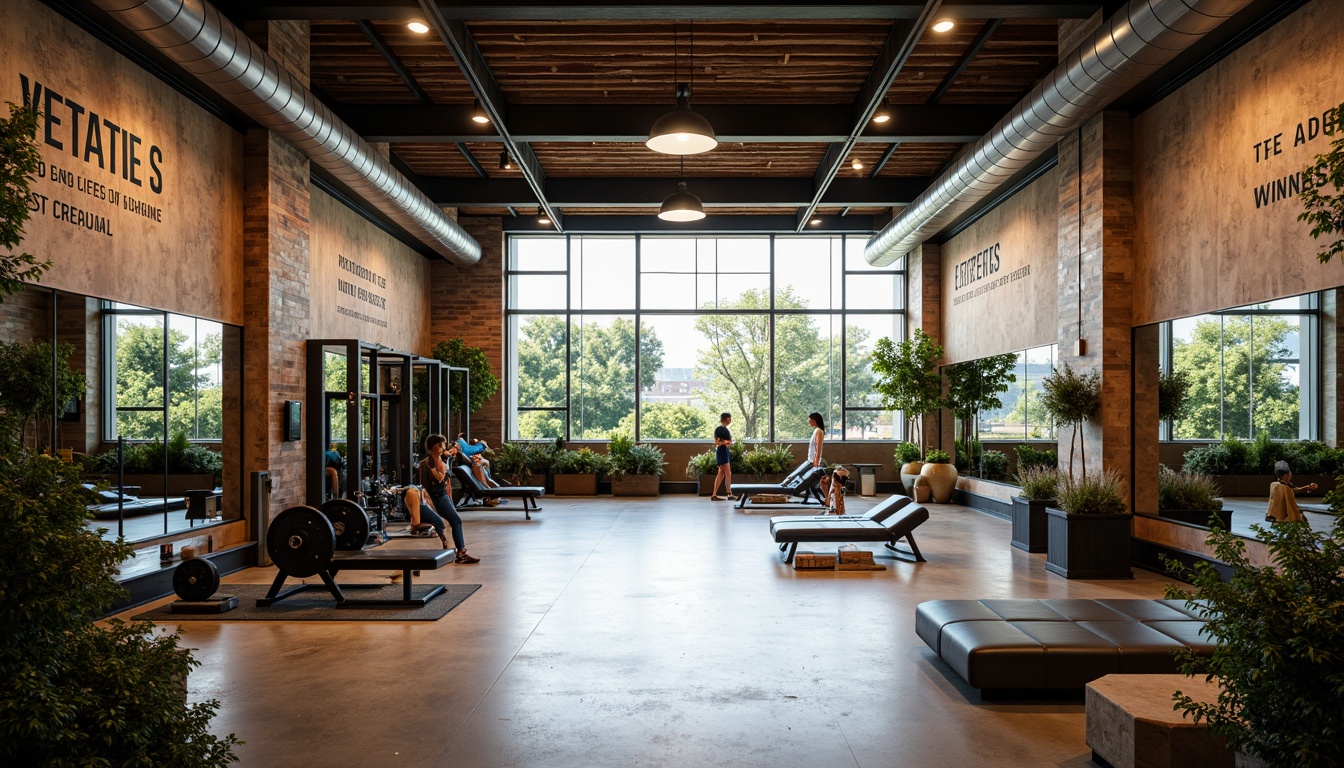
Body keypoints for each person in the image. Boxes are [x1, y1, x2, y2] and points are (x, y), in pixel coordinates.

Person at [419, 434, 480, 564]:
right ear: (436, 447)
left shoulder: (427, 462)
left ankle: (459, 551)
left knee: (454, 522)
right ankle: (461, 553)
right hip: (438, 498)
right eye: (442, 445)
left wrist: (449, 455)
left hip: (441, 497)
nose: (444, 448)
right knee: (456, 521)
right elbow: (439, 478)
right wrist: (438, 459)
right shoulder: (431, 463)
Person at [710, 413, 734, 501]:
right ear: (724, 419)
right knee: (728, 472)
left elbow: (729, 442)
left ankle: (714, 494)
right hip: (721, 451)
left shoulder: (726, 430)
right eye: (728, 419)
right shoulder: (719, 429)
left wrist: (724, 441)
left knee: (721, 474)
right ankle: (729, 493)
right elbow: (717, 442)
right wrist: (725, 442)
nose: (729, 421)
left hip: (724, 451)